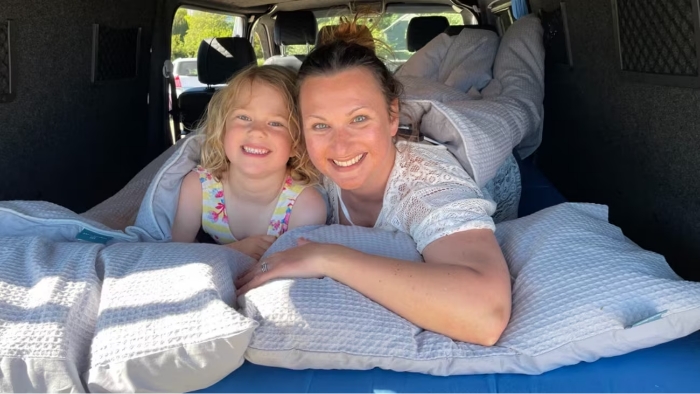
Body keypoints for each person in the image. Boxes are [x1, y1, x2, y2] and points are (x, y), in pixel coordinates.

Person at [235, 19, 512, 346]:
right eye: (320, 126)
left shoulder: (426, 186)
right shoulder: (305, 160)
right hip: (405, 105)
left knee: (499, 80)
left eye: (359, 119)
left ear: (392, 116)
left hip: (465, 141)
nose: (340, 147)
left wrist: (327, 258)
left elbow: (485, 315)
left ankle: (490, 32)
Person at [171, 65, 327, 261]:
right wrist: (235, 251)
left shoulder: (305, 205)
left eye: (276, 123)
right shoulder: (198, 187)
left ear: (297, 143)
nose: (256, 131)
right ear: (222, 129)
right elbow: (175, 252)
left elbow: (291, 270)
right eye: (243, 117)